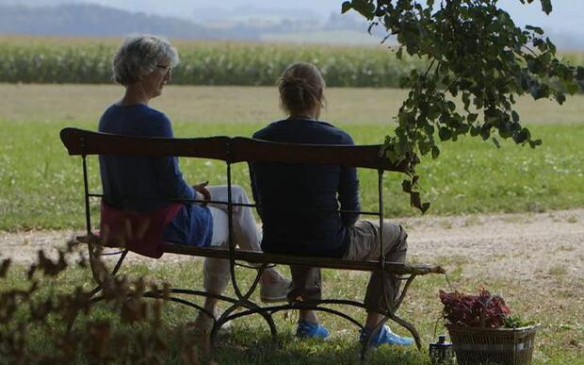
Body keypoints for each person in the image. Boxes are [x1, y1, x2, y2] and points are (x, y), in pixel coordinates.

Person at [98, 34, 290, 332]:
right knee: (230, 217)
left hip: (122, 219)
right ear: (142, 70)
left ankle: (269, 277)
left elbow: (145, 181)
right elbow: (172, 186)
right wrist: (196, 197)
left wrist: (191, 192)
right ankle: (225, 305)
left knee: (235, 194)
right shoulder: (154, 121)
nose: (169, 76)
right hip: (162, 224)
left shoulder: (108, 117)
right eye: (164, 67)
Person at [249, 62, 414, 347]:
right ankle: (374, 329)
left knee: (299, 223)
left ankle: (308, 320)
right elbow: (351, 212)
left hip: (277, 240)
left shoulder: (260, 139)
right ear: (320, 96)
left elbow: (263, 204)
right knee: (396, 235)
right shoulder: (338, 139)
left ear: (283, 97)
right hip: (328, 243)